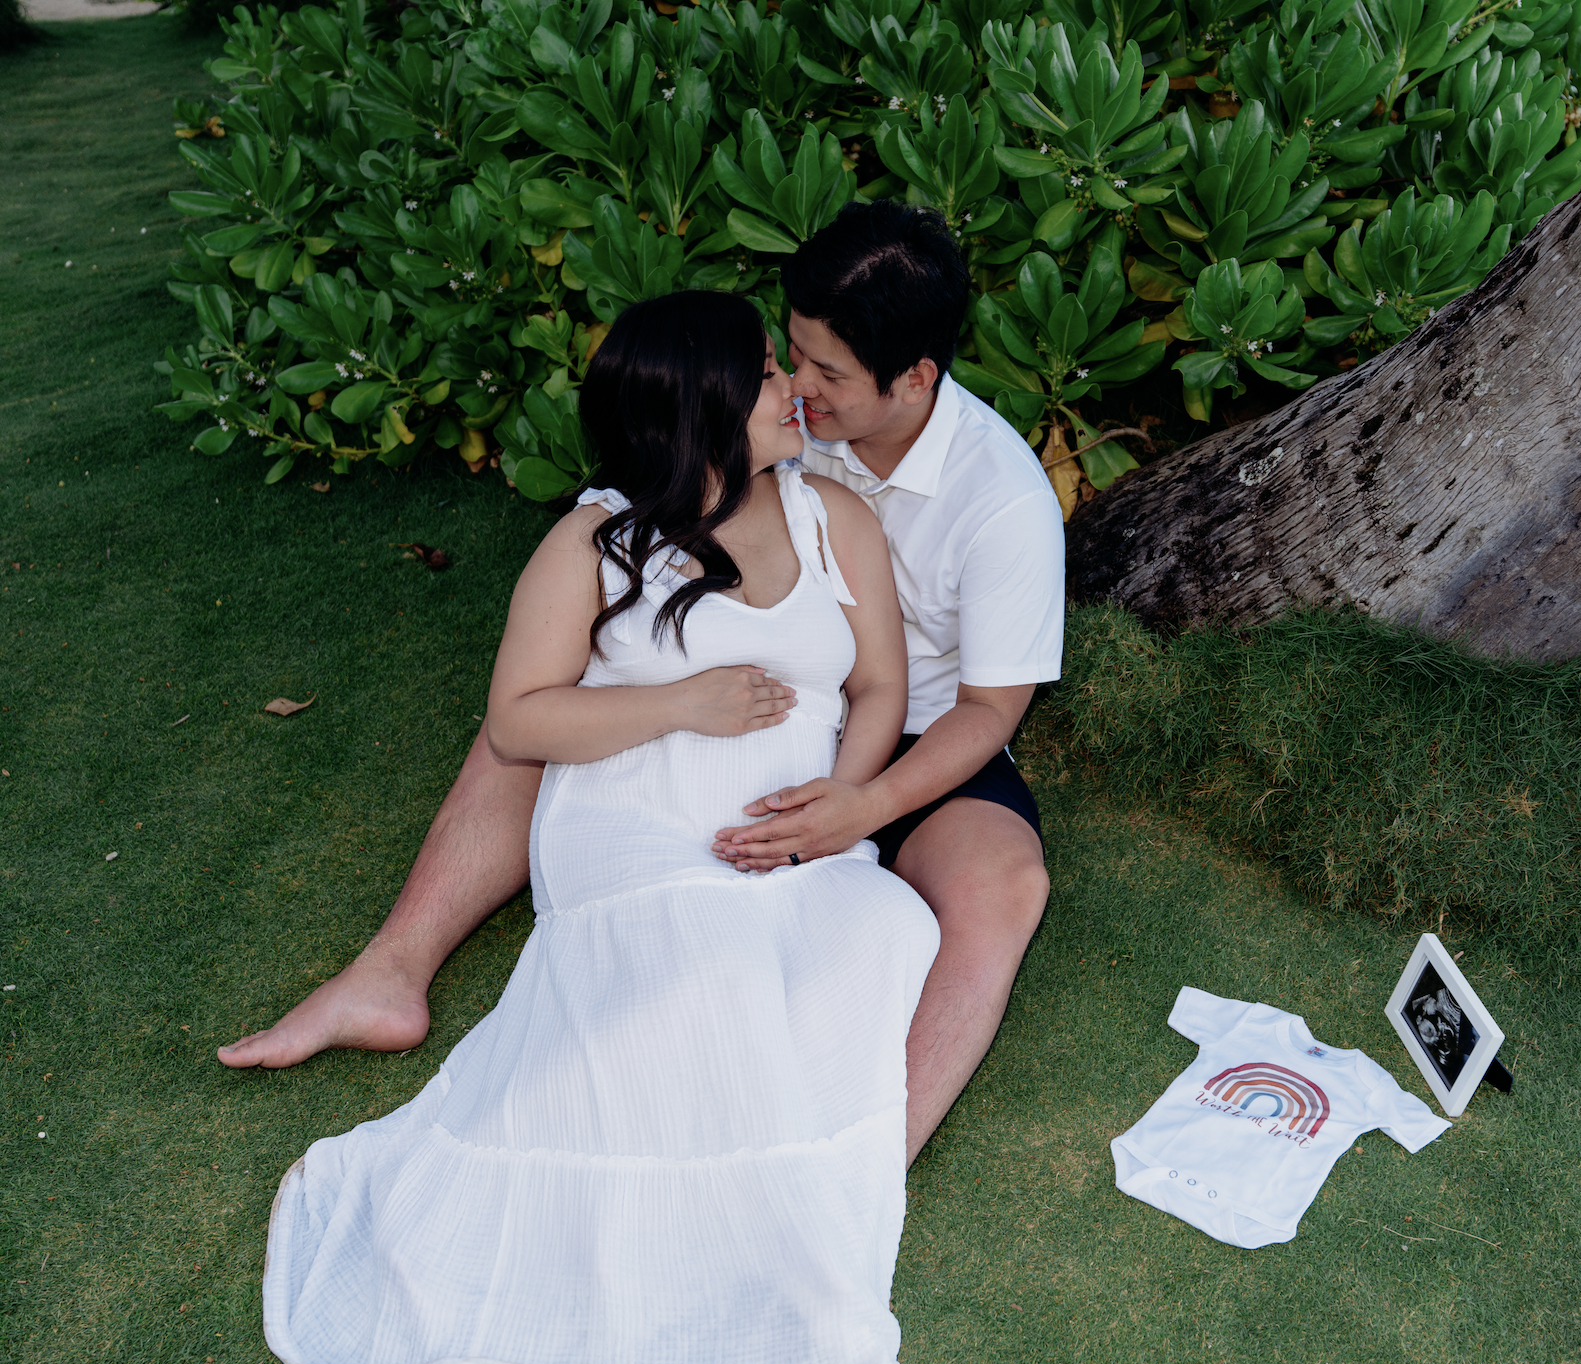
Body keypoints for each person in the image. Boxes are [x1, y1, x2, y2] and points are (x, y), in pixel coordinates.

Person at [220, 202, 1064, 1167]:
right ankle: (390, 969)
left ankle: (866, 1158)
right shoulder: (767, 422)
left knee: (1005, 884)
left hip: (911, 733)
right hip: (723, 697)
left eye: (827, 373)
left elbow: (990, 709)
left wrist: (862, 804)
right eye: (790, 355)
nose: (800, 388)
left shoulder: (999, 500)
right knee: (535, 719)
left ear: (914, 378)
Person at [264, 291, 941, 1364]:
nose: (794, 386)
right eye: (768, 370)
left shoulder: (837, 518)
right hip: (634, 817)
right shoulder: (596, 539)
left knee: (876, 938)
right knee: (702, 967)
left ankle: (727, 1231)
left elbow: (877, 685)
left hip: (793, 824)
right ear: (704, 407)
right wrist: (679, 698)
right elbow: (520, 719)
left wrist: (843, 804)